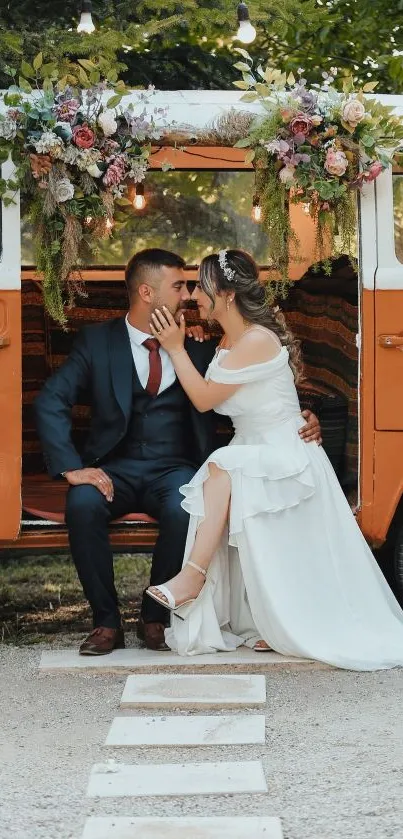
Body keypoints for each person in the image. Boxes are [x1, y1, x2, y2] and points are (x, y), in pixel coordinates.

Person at [34, 248, 321, 656]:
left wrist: (301, 418)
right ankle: (105, 622)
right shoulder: (98, 341)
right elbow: (51, 401)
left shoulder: (202, 345)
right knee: (81, 503)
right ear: (147, 293)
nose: (189, 295)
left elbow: (260, 388)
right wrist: (70, 469)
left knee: (186, 506)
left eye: (193, 286)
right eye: (179, 285)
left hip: (174, 468)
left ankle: (156, 617)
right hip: (112, 468)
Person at [146, 248, 403, 670]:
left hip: (282, 452)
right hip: (259, 446)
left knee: (221, 467)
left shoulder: (257, 340)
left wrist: (174, 349)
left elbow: (205, 399)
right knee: (222, 467)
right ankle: (227, 598)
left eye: (201, 287)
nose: (194, 295)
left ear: (226, 294)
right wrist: (187, 342)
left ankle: (193, 576)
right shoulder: (229, 339)